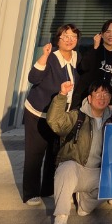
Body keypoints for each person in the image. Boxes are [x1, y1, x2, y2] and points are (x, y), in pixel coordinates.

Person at [23, 24, 80, 206]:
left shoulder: (76, 57)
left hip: (59, 116)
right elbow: (33, 78)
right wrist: (44, 56)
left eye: (73, 37)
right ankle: (31, 193)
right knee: (35, 153)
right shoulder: (52, 56)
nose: (69, 40)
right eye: (66, 36)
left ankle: (47, 189)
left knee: (54, 153)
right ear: (58, 39)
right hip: (39, 112)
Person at [47, 80, 112, 224]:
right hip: (75, 169)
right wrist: (62, 95)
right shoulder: (78, 116)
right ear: (89, 98)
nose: (102, 97)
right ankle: (61, 216)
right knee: (67, 168)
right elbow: (55, 122)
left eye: (106, 94)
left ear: (110, 98)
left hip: (95, 172)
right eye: (98, 94)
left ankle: (85, 204)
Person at [73, 20, 112, 109]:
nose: (111, 35)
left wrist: (111, 103)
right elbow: (83, 67)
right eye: (108, 31)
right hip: (84, 102)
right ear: (102, 35)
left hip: (104, 104)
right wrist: (95, 48)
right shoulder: (93, 49)